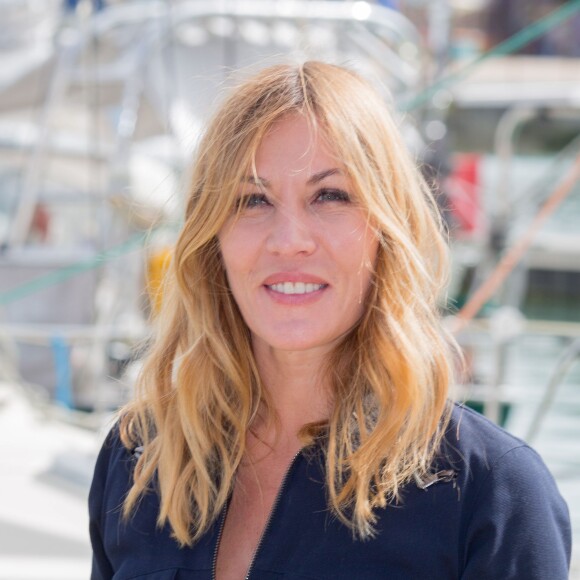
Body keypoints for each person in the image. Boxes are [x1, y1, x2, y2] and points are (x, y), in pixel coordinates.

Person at [89, 61, 571, 579]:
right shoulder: (139, 459)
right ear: (213, 240)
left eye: (331, 196)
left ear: (386, 230)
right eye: (253, 200)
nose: (290, 238)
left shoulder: (491, 492)